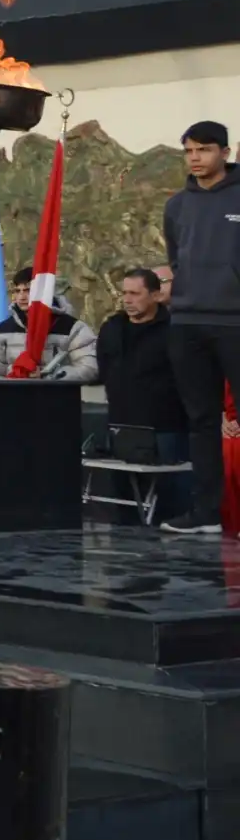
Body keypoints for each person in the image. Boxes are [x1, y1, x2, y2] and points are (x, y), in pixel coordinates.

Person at [166, 120, 240, 534]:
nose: (195, 158)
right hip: (188, 323)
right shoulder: (177, 205)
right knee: (201, 421)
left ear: (225, 154)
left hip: (235, 322)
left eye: (204, 150)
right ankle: (205, 512)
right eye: (189, 151)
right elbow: (176, 258)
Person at [98, 267, 188, 524]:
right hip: (120, 424)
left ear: (156, 296)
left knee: (170, 500)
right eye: (125, 293)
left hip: (166, 428)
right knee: (124, 499)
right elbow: (104, 366)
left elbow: (187, 377)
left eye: (135, 294)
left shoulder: (174, 331)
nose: (127, 299)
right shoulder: (112, 328)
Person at [0, 263, 100, 383]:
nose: (21, 297)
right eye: (17, 291)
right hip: (13, 397)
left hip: (55, 397)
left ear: (43, 292)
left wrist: (48, 376)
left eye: (28, 291)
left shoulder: (73, 328)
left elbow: (90, 368)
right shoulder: (4, 328)